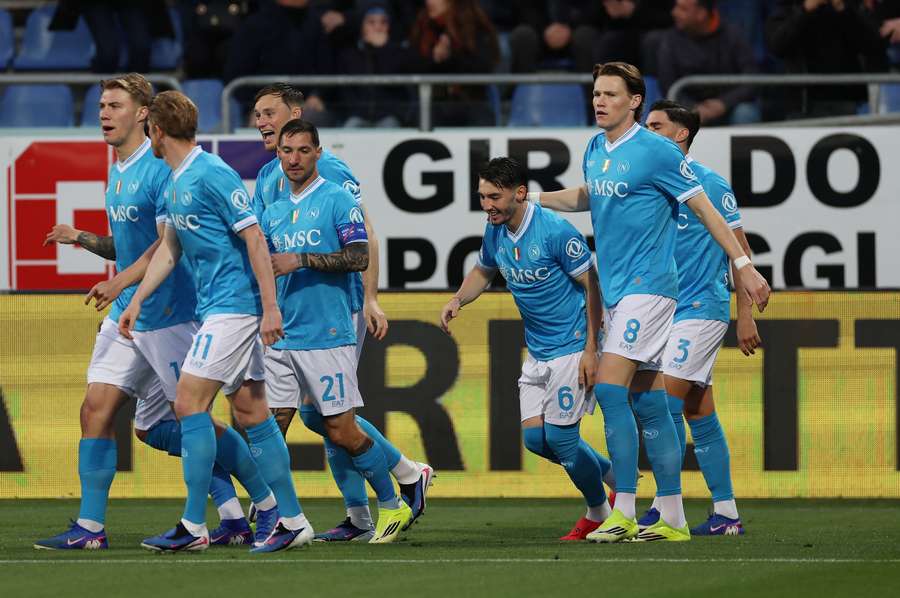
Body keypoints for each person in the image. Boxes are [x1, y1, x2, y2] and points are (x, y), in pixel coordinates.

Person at [34, 75, 279, 551]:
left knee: (188, 420)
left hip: (172, 314)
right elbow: (127, 247)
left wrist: (122, 284)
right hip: (129, 311)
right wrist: (82, 239)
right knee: (97, 410)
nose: (104, 113)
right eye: (101, 105)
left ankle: (262, 506)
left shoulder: (164, 167)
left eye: (114, 105)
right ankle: (90, 529)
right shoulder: (119, 168)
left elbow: (168, 248)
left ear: (144, 114)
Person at [534, 61, 770, 542]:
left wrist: (744, 269)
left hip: (658, 290)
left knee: (610, 389)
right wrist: (534, 200)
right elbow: (592, 196)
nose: (599, 101)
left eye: (610, 94)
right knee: (652, 402)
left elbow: (705, 207)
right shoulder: (596, 148)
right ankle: (677, 517)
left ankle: (623, 507)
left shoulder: (658, 152)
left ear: (634, 101)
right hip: (619, 290)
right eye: (596, 93)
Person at [118, 91, 311, 553]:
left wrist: (269, 308)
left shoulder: (212, 173)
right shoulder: (175, 180)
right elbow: (169, 249)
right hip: (219, 307)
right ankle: (292, 518)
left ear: (157, 131)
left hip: (234, 308)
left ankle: (193, 525)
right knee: (251, 413)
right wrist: (136, 300)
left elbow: (255, 239)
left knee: (188, 404)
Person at [252, 83, 433, 542]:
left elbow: (364, 236)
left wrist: (370, 298)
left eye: (269, 112)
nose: (261, 123)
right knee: (308, 418)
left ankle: (396, 485)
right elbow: (261, 250)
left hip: (334, 311)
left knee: (333, 421)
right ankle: (358, 507)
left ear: (296, 118)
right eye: (256, 115)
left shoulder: (329, 175)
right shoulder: (269, 181)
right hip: (286, 320)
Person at [441, 157, 616, 541]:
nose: (487, 205)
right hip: (538, 350)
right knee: (536, 440)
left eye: (494, 197)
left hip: (572, 346)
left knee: (562, 439)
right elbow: (484, 270)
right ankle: (617, 479)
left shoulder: (555, 231)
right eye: (482, 196)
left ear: (520, 193)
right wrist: (458, 299)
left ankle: (599, 511)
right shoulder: (496, 230)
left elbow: (593, 286)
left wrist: (591, 350)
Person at [639, 99, 760, 536]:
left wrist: (744, 315)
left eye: (655, 125)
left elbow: (741, 252)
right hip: (663, 312)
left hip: (700, 310)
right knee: (697, 409)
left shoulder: (708, 184)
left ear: (680, 135)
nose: (645, 130)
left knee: (662, 404)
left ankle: (662, 505)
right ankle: (726, 513)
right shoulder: (648, 187)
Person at [766, 0, 887, 118]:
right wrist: (804, 10)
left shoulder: (852, 5)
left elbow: (873, 45)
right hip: (804, 104)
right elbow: (777, 46)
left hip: (849, 101)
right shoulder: (789, 6)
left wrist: (843, 9)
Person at [657, 0, 760, 124]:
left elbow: (751, 79)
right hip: (688, 108)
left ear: (701, 14)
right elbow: (667, 85)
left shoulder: (734, 36)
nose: (674, 12)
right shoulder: (669, 40)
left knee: (745, 112)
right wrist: (694, 109)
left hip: (729, 107)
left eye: (682, 9)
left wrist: (723, 103)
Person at [409, 0, 500, 126]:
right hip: (434, 103)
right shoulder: (422, 26)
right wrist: (435, 60)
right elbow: (411, 67)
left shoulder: (476, 27)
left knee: (481, 123)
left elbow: (483, 67)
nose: (429, 2)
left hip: (471, 101)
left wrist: (451, 57)